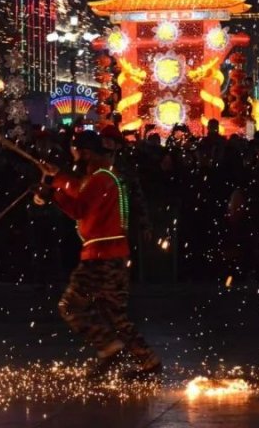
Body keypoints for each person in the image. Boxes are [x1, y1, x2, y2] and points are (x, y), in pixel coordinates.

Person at [34, 129, 161, 377]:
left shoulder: (102, 178)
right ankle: (149, 363)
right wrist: (55, 187)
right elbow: (78, 199)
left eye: (75, 153)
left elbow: (79, 205)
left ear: (86, 153)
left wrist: (55, 186)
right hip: (111, 256)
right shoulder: (101, 176)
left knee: (70, 306)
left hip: (102, 258)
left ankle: (110, 349)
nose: (73, 158)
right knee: (114, 314)